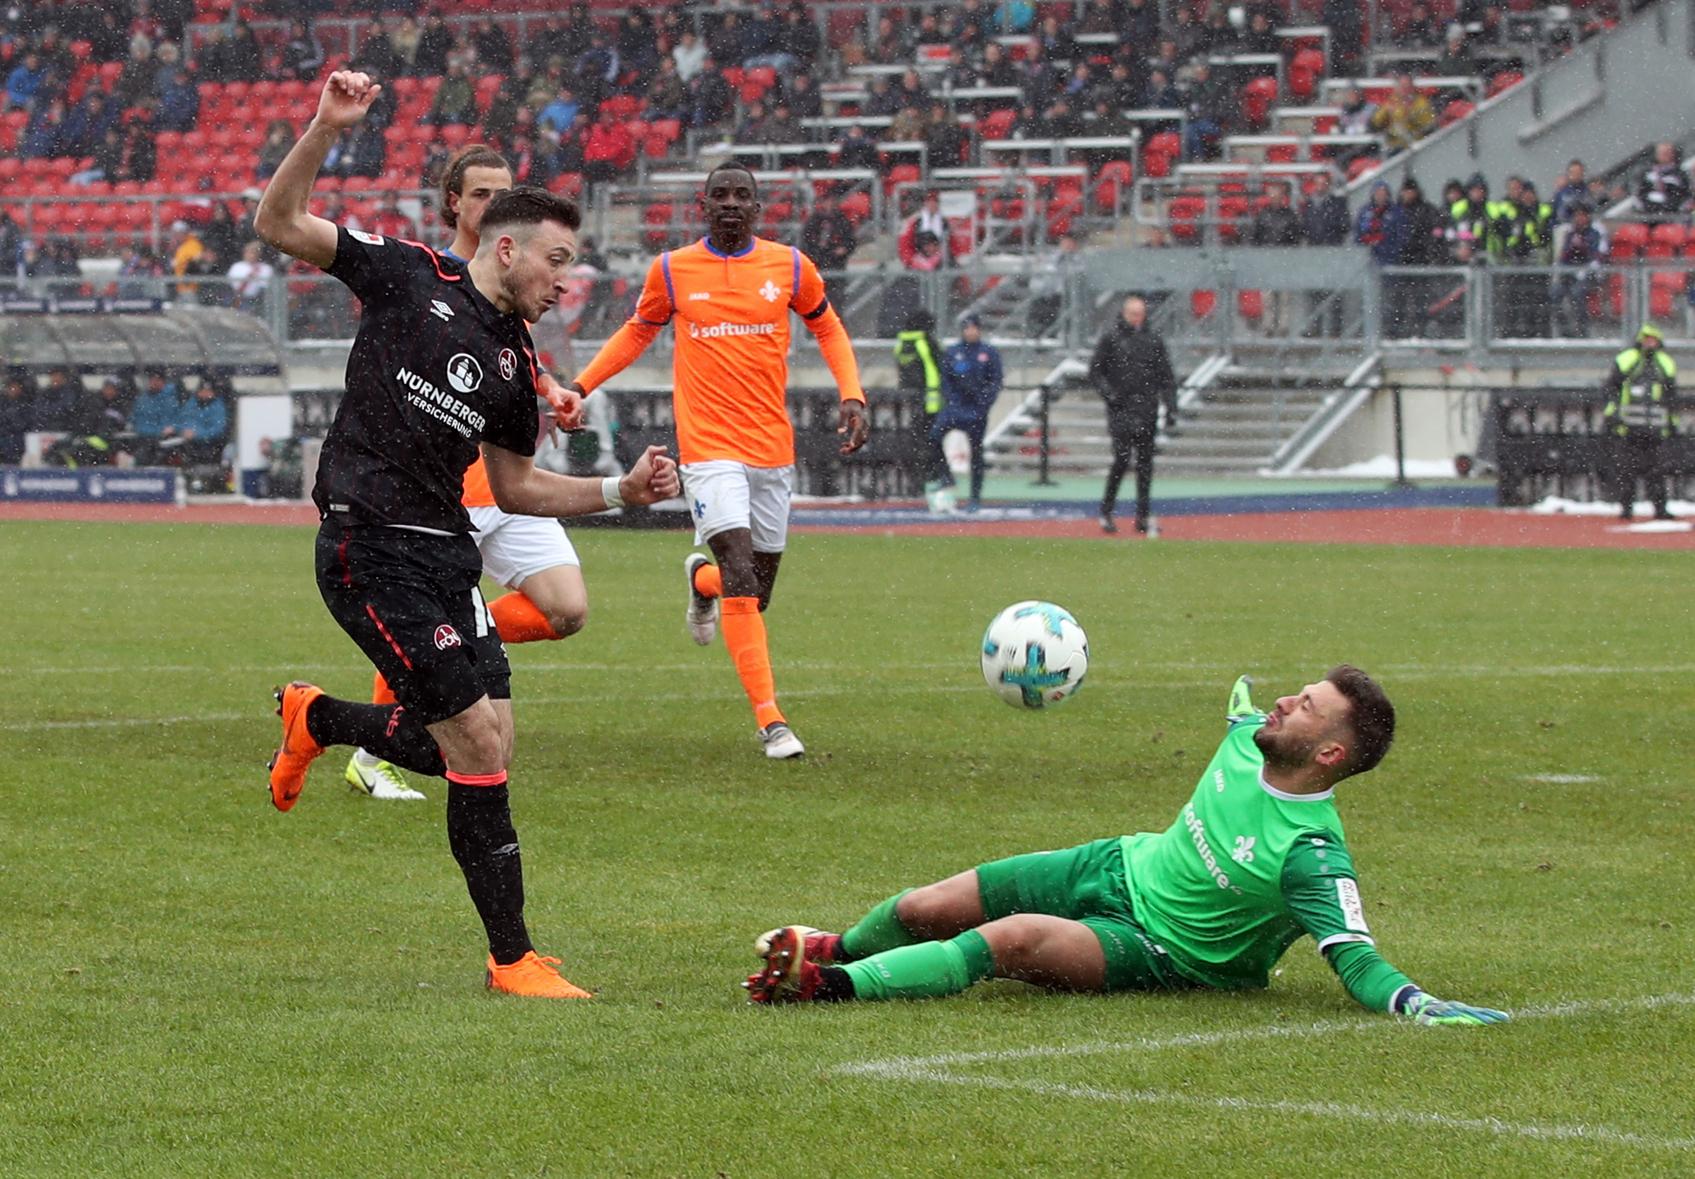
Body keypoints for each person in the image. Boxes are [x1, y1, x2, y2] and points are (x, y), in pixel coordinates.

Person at [254, 70, 680, 1001]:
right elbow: (278, 225)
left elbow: (519, 486)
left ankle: (317, 717)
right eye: (559, 261)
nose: (569, 280)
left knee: (491, 738)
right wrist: (326, 128)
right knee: (476, 750)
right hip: (369, 543)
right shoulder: (408, 273)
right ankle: (511, 958)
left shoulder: (512, 367)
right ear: (509, 247)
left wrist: (620, 491)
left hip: (446, 553)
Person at [744, 668, 1511, 1032]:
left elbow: (1356, 958)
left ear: (1330, 756)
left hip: (1159, 947)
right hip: (1116, 862)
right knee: (924, 906)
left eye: (1305, 705)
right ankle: (834, 945)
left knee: (1005, 942)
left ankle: (827, 987)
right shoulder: (1250, 737)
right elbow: (1244, 707)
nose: (1282, 701)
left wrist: (1416, 1003)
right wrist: (1248, 705)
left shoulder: (1309, 854)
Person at [558, 164, 870, 761]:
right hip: (707, 449)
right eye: (720, 196)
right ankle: (771, 721)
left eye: (741, 196)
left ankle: (701, 585)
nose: (730, 204)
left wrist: (851, 393)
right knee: (741, 571)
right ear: (703, 205)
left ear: (758, 207)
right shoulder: (673, 270)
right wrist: (581, 384)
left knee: (753, 591)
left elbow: (828, 328)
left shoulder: (791, 266)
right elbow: (635, 332)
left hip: (771, 449)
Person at [344, 144, 604, 803]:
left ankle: (467, 633)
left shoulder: (516, 277)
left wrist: (550, 391)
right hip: (437, 492)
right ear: (455, 202)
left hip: (502, 482)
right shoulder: (431, 276)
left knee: (567, 609)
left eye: (503, 192)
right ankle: (373, 749)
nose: (494, 203)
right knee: (427, 623)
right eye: (481, 193)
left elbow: (512, 357)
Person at [1090, 295, 1177, 535]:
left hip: (1147, 408)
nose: (1137, 319)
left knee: (1145, 465)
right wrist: (1110, 394)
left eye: (1140, 314)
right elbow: (1095, 372)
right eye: (1133, 314)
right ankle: (1107, 511)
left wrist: (1171, 407)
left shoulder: (1153, 341)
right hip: (1121, 409)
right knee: (1121, 459)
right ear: (1125, 313)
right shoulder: (1111, 339)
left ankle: (1142, 515)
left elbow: (1166, 376)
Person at [1602, 324, 1678, 521]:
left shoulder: (1665, 363)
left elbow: (1671, 396)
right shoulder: (1628, 359)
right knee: (1627, 470)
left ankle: (1660, 509)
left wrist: (1671, 421)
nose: (1649, 343)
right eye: (1646, 339)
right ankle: (1626, 508)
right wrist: (1613, 414)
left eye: (1652, 339)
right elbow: (1612, 387)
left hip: (1655, 428)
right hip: (1629, 426)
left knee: (1657, 471)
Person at [927, 314, 1002, 512]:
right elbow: (945, 380)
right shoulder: (953, 352)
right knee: (934, 437)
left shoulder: (989, 353)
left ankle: (975, 497)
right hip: (955, 408)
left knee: (976, 453)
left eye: (974, 328)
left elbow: (995, 381)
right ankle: (946, 476)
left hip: (976, 411)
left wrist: (983, 403)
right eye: (967, 328)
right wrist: (952, 400)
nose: (970, 332)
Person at [895, 307, 945, 510]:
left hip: (911, 400)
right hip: (931, 400)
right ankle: (935, 481)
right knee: (933, 444)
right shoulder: (926, 342)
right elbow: (938, 367)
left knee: (917, 441)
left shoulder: (903, 343)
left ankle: (918, 481)